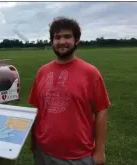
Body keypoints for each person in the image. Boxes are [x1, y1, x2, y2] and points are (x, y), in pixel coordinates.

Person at [28, 17, 111, 165]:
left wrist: (99, 150)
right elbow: (37, 109)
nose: (61, 42)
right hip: (43, 152)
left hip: (78, 156)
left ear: (77, 40)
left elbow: (101, 111)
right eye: (57, 37)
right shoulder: (42, 71)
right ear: (52, 41)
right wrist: (33, 141)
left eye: (67, 36)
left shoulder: (90, 73)